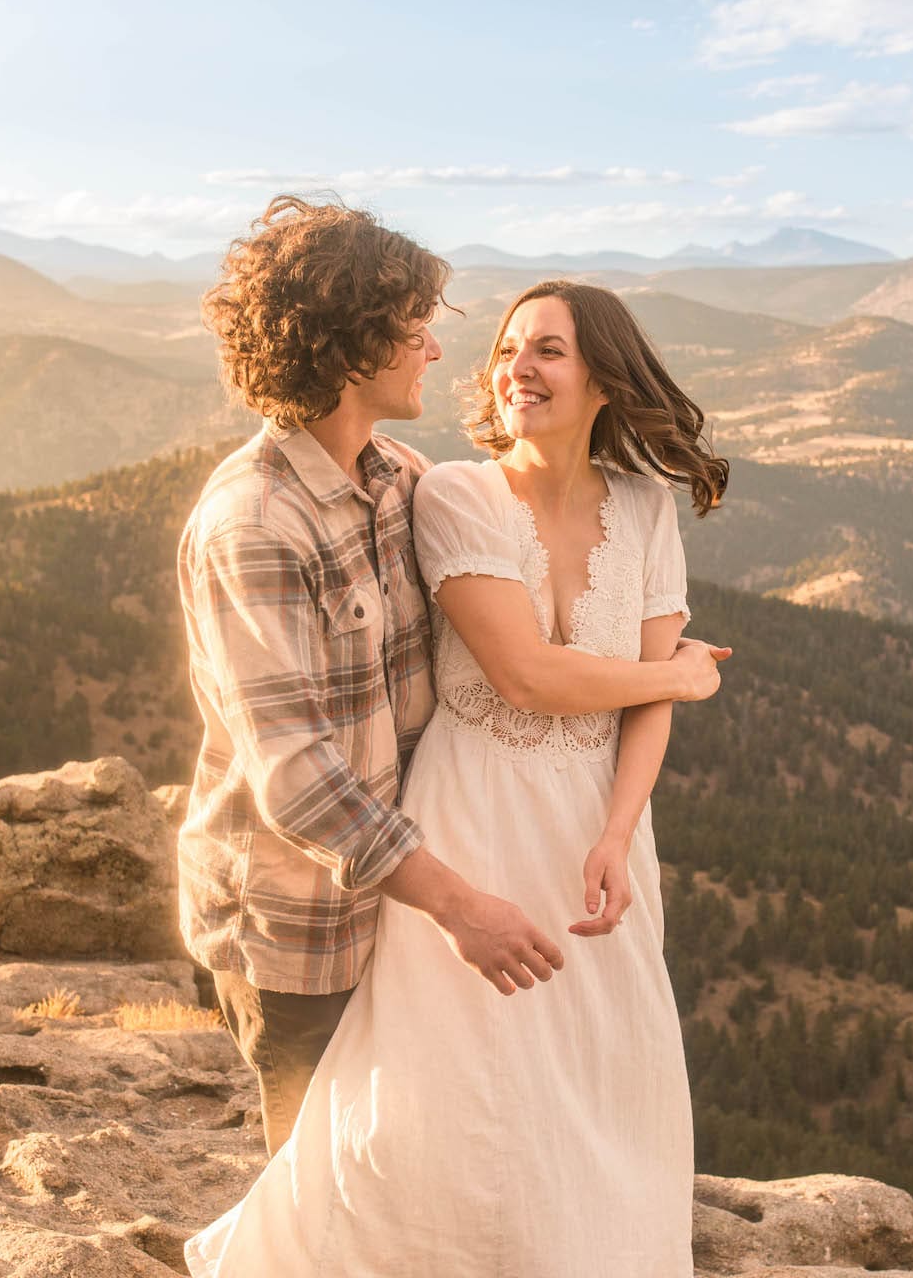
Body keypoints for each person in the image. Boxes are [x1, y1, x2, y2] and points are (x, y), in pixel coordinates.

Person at [176, 201, 729, 1188]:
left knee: (438, 1156)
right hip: (300, 919)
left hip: (413, 873)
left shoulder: (398, 480)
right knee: (327, 1181)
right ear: (353, 341)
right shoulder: (254, 521)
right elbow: (299, 780)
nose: (437, 345)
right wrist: (460, 902)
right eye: (412, 323)